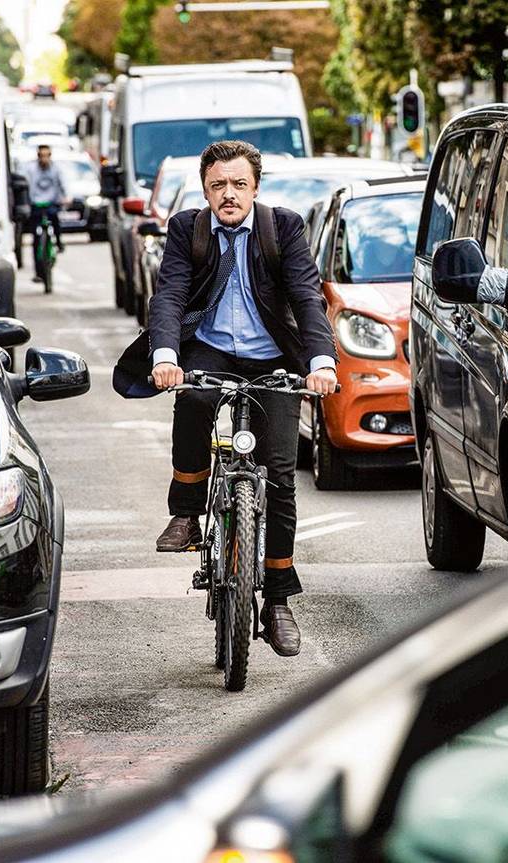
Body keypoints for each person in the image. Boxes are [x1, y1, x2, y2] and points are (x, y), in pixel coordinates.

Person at [148, 140, 338, 658]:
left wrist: (320, 363)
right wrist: (166, 354)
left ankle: (277, 599)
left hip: (272, 356)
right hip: (209, 349)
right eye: (217, 185)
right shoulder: (188, 229)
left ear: (255, 186)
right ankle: (187, 512)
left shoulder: (284, 227)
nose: (227, 195)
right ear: (205, 188)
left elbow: (306, 295)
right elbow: (169, 293)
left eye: (238, 184)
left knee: (279, 477)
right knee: (191, 401)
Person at [24, 144, 69, 266]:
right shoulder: (31, 169)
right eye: (41, 155)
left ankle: (59, 242)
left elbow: (63, 184)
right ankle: (38, 268)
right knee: (36, 238)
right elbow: (26, 185)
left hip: (51, 203)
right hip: (36, 204)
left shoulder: (56, 169)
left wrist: (66, 197)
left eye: (47, 155)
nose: (44, 159)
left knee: (55, 220)